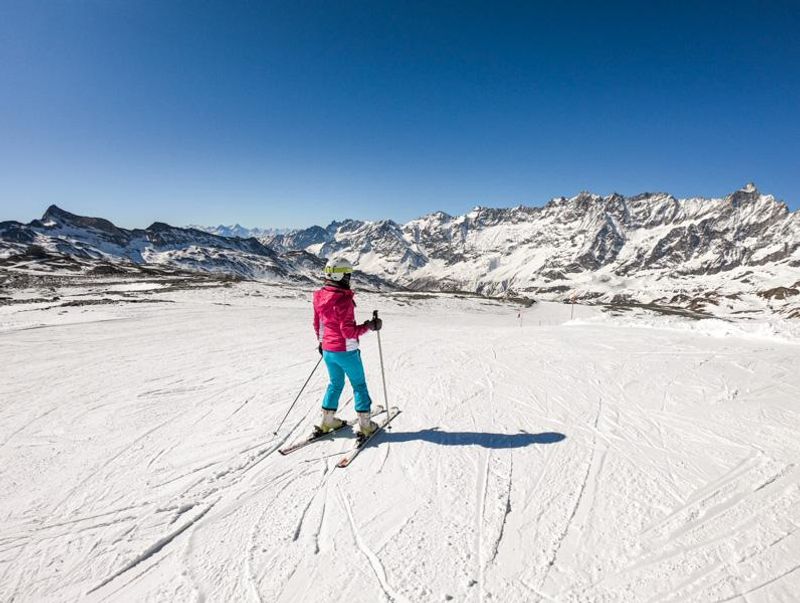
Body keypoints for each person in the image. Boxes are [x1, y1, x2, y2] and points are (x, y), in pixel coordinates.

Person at [313, 257, 382, 437]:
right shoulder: (344, 300)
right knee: (359, 385)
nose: (349, 278)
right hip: (346, 351)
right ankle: (365, 425)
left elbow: (318, 323)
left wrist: (322, 343)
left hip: (328, 350)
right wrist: (369, 326)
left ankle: (327, 421)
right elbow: (348, 333)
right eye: (348, 275)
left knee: (335, 383)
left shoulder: (319, 296)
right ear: (341, 276)